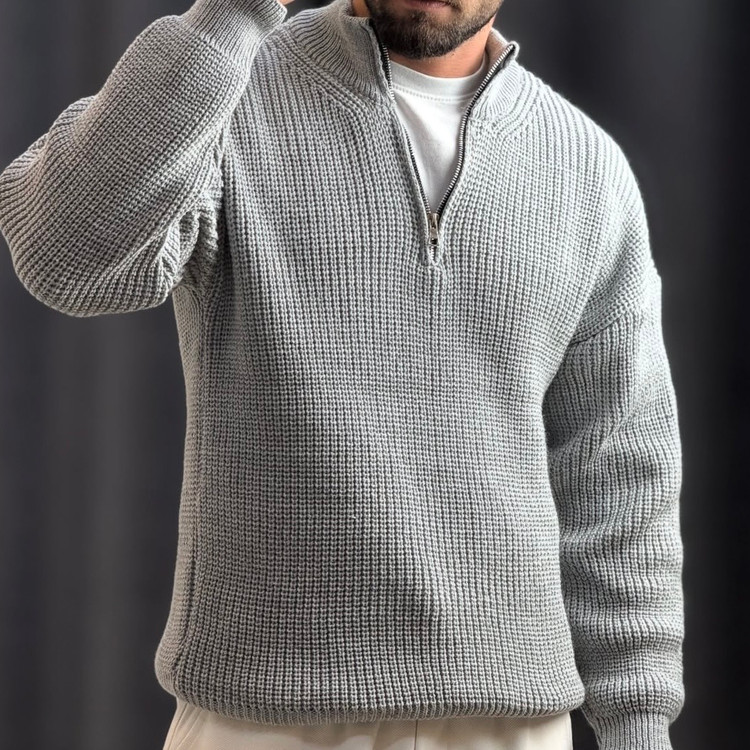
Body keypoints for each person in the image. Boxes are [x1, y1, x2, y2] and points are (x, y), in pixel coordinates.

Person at [0, 0, 685, 748]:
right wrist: (232, 12)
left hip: (514, 722)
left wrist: (638, 727)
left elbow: (621, 478)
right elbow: (62, 255)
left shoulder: (587, 167)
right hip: (260, 715)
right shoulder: (227, 86)